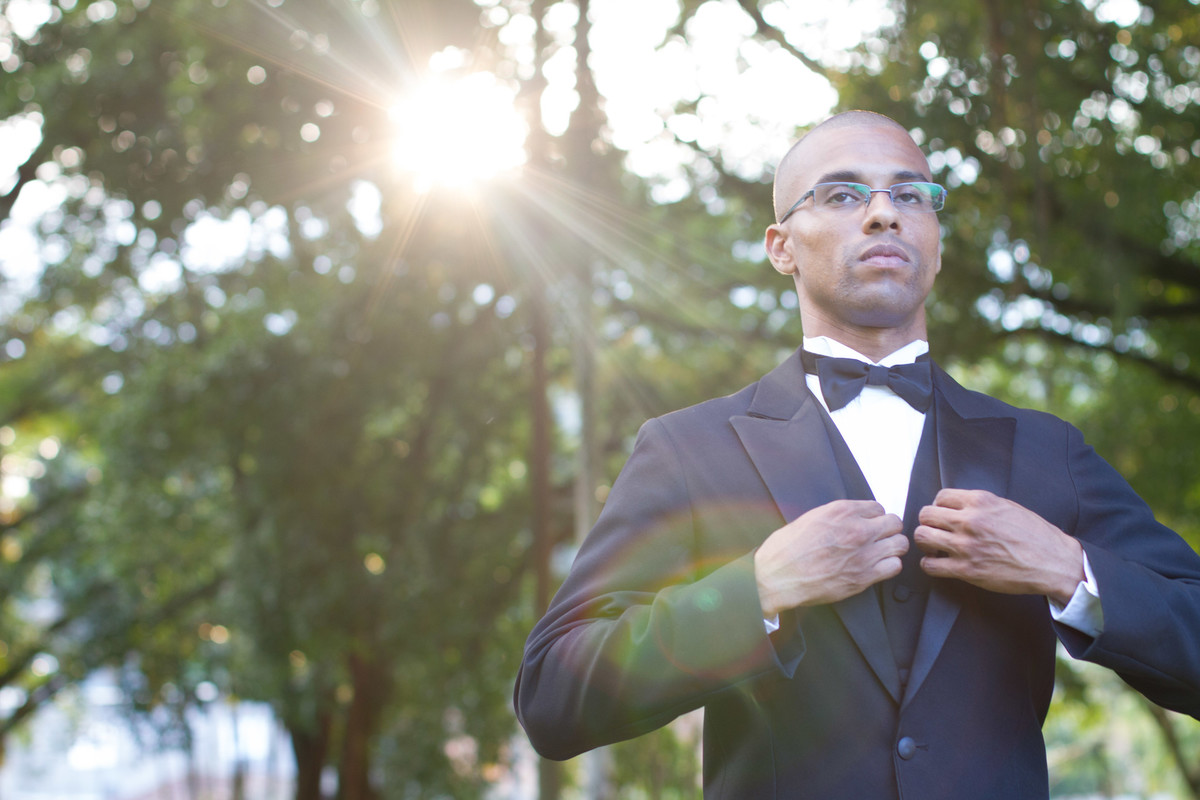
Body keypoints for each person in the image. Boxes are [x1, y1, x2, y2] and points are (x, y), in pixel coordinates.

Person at [513, 110, 1200, 799]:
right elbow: (552, 696)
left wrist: (1067, 570)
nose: (883, 214)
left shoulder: (1048, 450)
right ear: (781, 247)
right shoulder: (689, 449)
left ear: (935, 240)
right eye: (843, 195)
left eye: (911, 196)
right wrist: (757, 592)